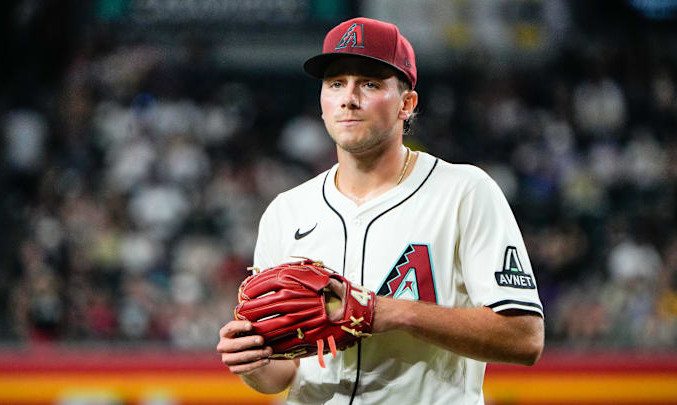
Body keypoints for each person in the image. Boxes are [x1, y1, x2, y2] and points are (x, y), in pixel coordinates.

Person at [217, 17, 544, 404]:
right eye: (336, 83)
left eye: (369, 83)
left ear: (407, 103)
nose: (348, 98)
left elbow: (524, 339)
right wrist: (254, 361)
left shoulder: (464, 192)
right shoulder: (286, 211)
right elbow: (283, 374)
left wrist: (388, 312)